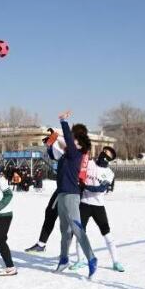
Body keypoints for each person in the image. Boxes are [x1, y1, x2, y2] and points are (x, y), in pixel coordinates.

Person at [25, 123, 90, 254]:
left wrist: (55, 136)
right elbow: (57, 155)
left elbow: (63, 150)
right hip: (67, 187)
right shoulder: (76, 150)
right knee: (54, 214)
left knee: (70, 222)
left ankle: (74, 254)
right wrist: (50, 144)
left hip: (72, 189)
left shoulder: (79, 151)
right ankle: (44, 245)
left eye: (73, 135)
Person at [52, 111, 97, 278]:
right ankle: (64, 259)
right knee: (64, 230)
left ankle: (92, 259)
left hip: (71, 195)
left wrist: (63, 121)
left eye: (74, 140)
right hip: (62, 195)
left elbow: (69, 142)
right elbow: (56, 152)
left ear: (79, 144)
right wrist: (50, 145)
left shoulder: (76, 154)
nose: (71, 142)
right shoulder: (66, 156)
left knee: (77, 230)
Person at [72, 146, 124, 272]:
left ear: (110, 159)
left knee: (106, 233)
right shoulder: (89, 163)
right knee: (80, 233)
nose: (104, 154)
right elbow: (78, 171)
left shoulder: (110, 173)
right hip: (84, 204)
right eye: (104, 152)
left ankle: (115, 262)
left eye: (108, 154)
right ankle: (80, 260)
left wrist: (86, 186)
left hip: (98, 206)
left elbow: (101, 189)